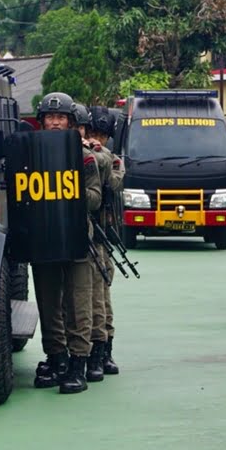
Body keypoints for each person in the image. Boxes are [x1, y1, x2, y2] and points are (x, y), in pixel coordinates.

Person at [31, 91, 102, 395]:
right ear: (42, 121)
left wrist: (71, 189)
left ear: (71, 122)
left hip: (76, 236)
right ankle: (56, 358)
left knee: (79, 303)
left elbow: (96, 199)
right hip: (44, 236)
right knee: (48, 303)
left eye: (61, 118)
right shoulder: (31, 153)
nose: (56, 122)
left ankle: (78, 364)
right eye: (50, 117)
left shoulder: (85, 155)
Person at [86, 107, 124, 376]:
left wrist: (102, 154)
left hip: (102, 235)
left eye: (103, 135)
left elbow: (112, 183)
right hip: (82, 231)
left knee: (101, 295)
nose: (97, 138)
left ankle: (104, 350)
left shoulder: (112, 159)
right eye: (92, 133)